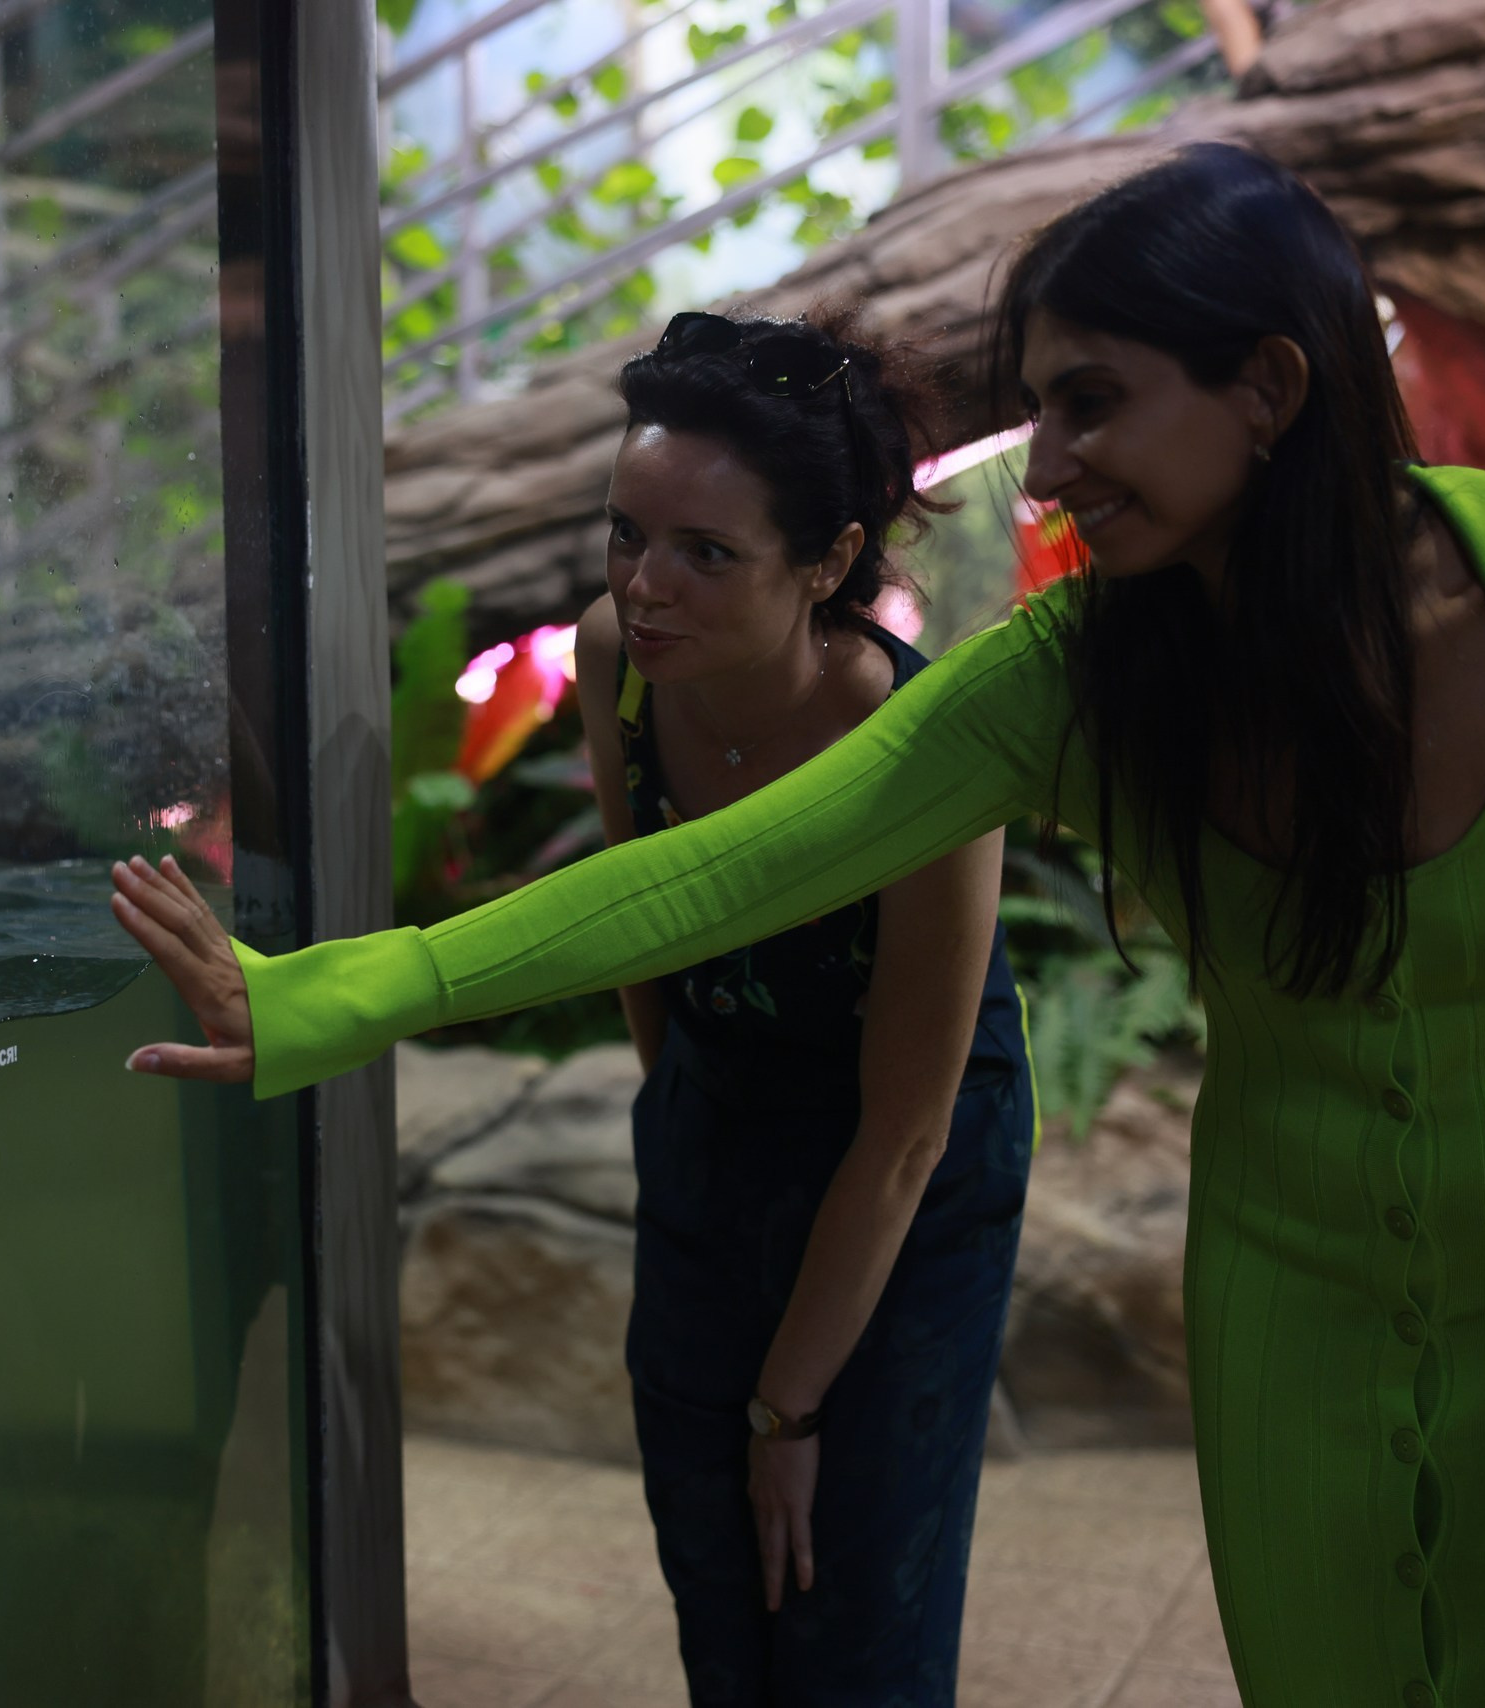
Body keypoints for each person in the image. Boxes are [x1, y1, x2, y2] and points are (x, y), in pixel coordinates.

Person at [110, 141, 1485, 1706]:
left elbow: (905, 1115)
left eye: (1090, 403)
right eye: (1037, 409)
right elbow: (718, 876)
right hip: (1295, 1321)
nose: (1040, 468)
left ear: (1266, 386)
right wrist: (336, 997)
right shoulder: (1071, 674)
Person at [575, 306, 1036, 1703]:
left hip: (907, 1166)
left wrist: (793, 1402)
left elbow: (903, 1133)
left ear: (830, 559)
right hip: (723, 1113)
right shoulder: (618, 663)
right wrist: (683, 1121)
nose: (646, 587)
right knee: (716, 1571)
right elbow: (641, 926)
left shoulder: (920, 756)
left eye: (706, 552)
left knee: (850, 1603)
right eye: (626, 533)